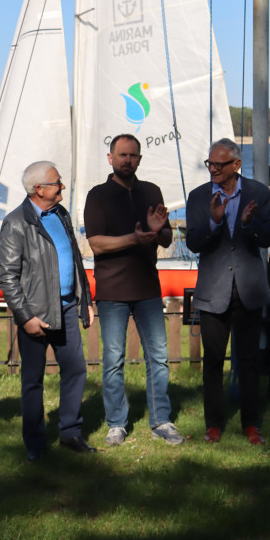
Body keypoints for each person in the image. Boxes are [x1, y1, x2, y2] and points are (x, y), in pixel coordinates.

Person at [84, 134, 185, 446]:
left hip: (147, 288)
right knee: (113, 359)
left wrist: (157, 232)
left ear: (140, 159)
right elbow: (96, 243)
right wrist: (134, 239)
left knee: (159, 356)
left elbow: (166, 238)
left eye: (133, 155)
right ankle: (116, 423)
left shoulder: (151, 191)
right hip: (113, 289)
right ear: (110, 158)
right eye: (122, 154)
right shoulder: (98, 195)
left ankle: (161, 420)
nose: (128, 160)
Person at [0, 161, 95, 460]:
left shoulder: (61, 214)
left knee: (76, 370)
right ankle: (35, 445)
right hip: (37, 314)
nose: (62, 186)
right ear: (38, 189)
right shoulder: (16, 223)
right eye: (57, 182)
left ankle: (70, 433)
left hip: (67, 308)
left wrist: (85, 301)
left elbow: (76, 261)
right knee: (33, 381)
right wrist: (25, 318)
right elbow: (7, 276)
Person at [185, 138, 270, 445]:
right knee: (212, 361)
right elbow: (194, 243)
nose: (213, 169)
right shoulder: (199, 197)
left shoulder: (258, 193)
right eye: (210, 164)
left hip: (248, 289)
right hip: (213, 291)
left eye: (219, 164)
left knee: (249, 360)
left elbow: (267, 238)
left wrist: (249, 225)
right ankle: (214, 424)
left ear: (236, 164)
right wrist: (214, 222)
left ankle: (251, 424)